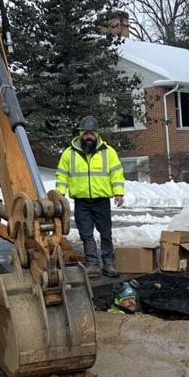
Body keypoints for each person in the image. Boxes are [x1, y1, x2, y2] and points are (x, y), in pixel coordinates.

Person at [55, 116, 126, 278]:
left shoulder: (108, 153)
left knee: (106, 233)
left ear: (97, 134)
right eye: (85, 133)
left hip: (101, 201)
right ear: (80, 134)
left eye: (91, 134)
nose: (88, 137)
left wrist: (119, 193)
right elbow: (62, 175)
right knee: (86, 234)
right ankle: (92, 264)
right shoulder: (69, 153)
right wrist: (60, 195)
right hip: (81, 202)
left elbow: (117, 173)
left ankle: (108, 263)